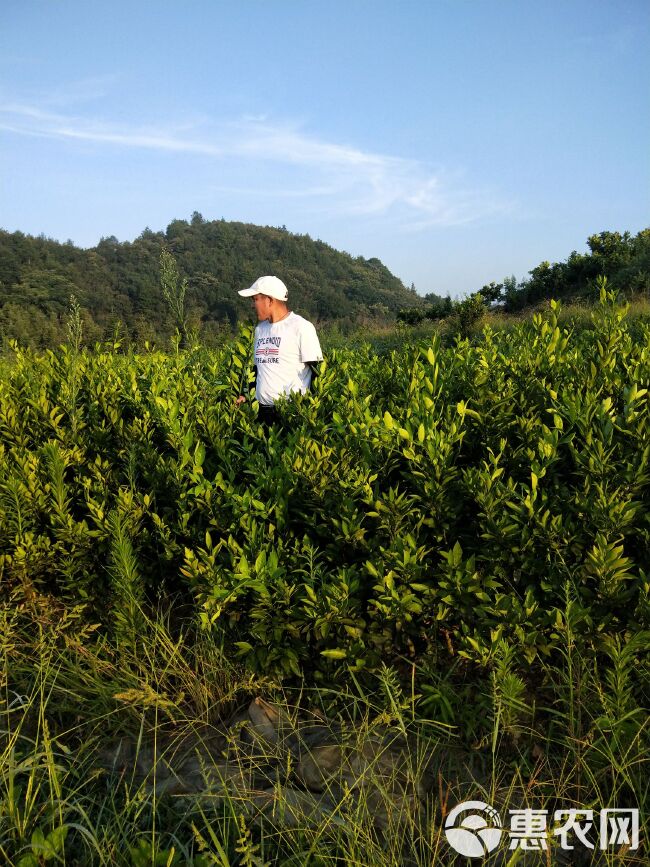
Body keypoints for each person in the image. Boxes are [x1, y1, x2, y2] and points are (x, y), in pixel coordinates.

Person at [236, 276, 323, 426]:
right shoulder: (259, 330)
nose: (253, 305)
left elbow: (317, 371)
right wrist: (246, 395)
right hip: (260, 412)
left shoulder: (301, 327)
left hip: (290, 412)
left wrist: (311, 412)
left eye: (255, 299)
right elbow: (257, 369)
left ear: (269, 300)